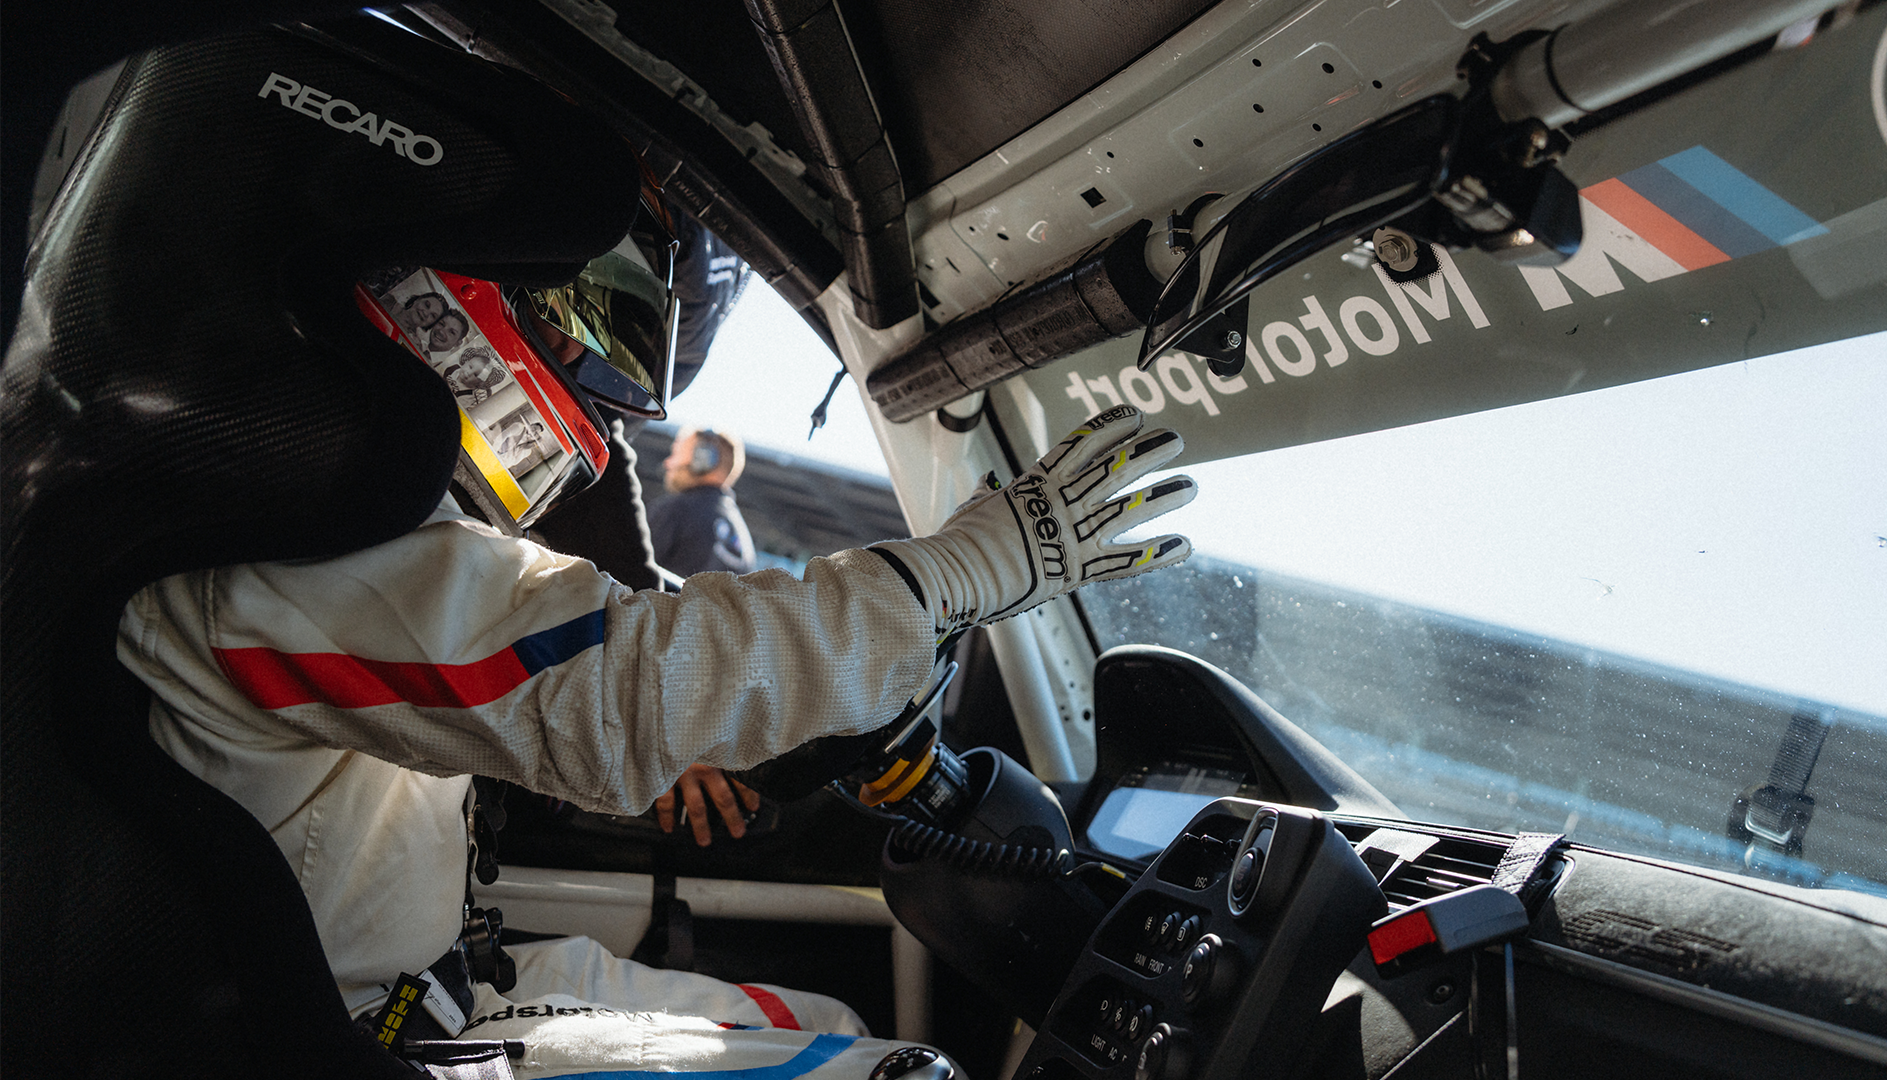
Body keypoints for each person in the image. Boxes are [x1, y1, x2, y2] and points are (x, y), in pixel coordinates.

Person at [109, 40, 1198, 1080]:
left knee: (827, 1026)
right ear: (438, 296)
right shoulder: (273, 564)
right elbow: (611, 683)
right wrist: (951, 576)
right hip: (350, 1037)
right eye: (585, 314)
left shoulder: (298, 531)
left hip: (428, 991)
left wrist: (708, 729)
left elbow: (535, 678)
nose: (611, 381)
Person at [649, 427, 756, 578]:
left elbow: (627, 568)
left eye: (675, 454)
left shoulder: (677, 509)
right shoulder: (744, 540)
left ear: (703, 459)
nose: (668, 463)